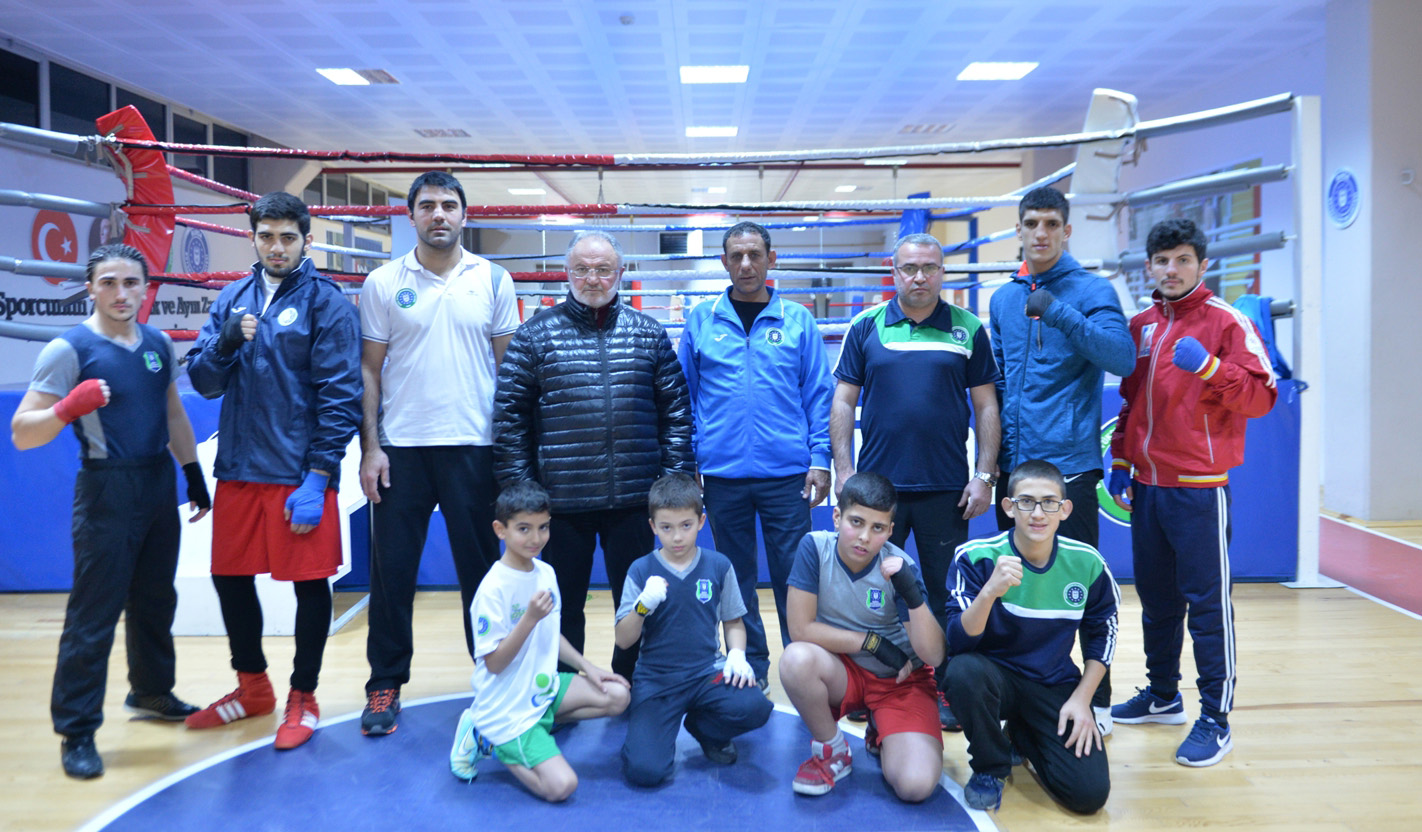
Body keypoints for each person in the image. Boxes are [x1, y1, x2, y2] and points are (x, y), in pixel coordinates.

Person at [11, 244, 210, 779]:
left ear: (145, 287)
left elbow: (172, 412)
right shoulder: (69, 349)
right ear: (91, 288)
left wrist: (192, 473)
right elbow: (22, 433)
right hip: (106, 487)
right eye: (108, 283)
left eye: (130, 283)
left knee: (155, 599)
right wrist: (65, 408)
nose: (121, 293)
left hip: (157, 482)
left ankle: (151, 692)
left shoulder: (158, 343)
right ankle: (76, 730)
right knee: (94, 613)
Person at [184, 191, 362, 750]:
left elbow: (341, 396)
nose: (277, 247)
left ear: (306, 239)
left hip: (297, 471)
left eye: (288, 237)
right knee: (229, 577)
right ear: (253, 238)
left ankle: (303, 696)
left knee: (309, 585)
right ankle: (252, 686)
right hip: (239, 466)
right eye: (267, 236)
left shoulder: (326, 303)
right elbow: (204, 382)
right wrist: (224, 345)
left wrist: (320, 475)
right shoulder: (232, 298)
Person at [1107, 218, 1276, 767]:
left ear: (1202, 264)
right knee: (1156, 601)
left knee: (1207, 606)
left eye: (1182, 259)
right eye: (1162, 261)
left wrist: (1209, 367)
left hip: (1199, 489)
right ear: (1149, 267)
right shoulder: (1141, 325)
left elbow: (1262, 398)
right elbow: (1131, 401)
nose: (1171, 269)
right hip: (1147, 486)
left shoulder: (1225, 321)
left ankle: (1216, 719)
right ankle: (1163, 695)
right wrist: (1121, 459)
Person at [358, 171, 519, 736]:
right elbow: (369, 371)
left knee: (484, 574)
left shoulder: (493, 278)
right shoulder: (382, 282)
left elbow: (510, 371)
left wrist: (511, 453)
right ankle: (384, 683)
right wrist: (370, 447)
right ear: (411, 216)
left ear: (464, 215)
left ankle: (494, 679)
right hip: (401, 449)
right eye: (427, 206)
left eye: (449, 205)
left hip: (475, 446)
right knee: (392, 573)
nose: (439, 215)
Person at [494, 229, 694, 680]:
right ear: (567, 273)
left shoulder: (648, 334)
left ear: (620, 273)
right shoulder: (535, 336)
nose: (592, 278)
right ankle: (562, 688)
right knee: (561, 605)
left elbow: (676, 413)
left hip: (635, 500)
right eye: (582, 269)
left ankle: (636, 683)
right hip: (561, 503)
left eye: (603, 269)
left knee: (640, 602)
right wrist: (523, 494)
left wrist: (672, 487)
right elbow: (509, 419)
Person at [830, 232, 1000, 730]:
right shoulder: (866, 326)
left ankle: (944, 687)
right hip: (877, 494)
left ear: (942, 272)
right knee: (870, 593)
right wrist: (845, 474)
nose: (919, 277)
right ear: (895, 272)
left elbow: (986, 406)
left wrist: (984, 475)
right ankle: (870, 684)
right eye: (909, 268)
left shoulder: (969, 328)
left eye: (929, 267)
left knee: (944, 595)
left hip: (946, 489)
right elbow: (843, 401)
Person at [988, 186, 1134, 731]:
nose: (1041, 233)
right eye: (1032, 223)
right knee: (1012, 589)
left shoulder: (1092, 289)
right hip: (1014, 472)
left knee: (1081, 588)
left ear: (1067, 231)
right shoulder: (1004, 299)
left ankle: (1099, 699)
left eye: (1052, 223)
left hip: (1068, 470)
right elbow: (998, 378)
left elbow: (1122, 357)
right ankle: (1019, 701)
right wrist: (992, 461)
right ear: (1019, 230)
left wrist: (1057, 311)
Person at [677, 221, 834, 688]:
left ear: (771, 258)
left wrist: (819, 457)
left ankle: (805, 667)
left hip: (787, 475)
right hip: (721, 475)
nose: (746, 264)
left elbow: (818, 394)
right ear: (724, 262)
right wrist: (691, 463)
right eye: (736, 256)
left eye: (755, 255)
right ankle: (753, 667)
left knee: (795, 577)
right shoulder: (701, 320)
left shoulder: (798, 319)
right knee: (736, 578)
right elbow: (684, 397)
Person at [944, 459, 1119, 813]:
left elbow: (1104, 633)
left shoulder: (1088, 562)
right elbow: (958, 641)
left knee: (1089, 795)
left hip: (1053, 682)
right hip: (994, 679)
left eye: (1049, 502)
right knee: (962, 672)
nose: (1038, 513)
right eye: (1026, 502)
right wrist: (990, 591)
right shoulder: (976, 556)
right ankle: (990, 767)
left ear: (1065, 509)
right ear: (1008, 507)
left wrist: (1082, 699)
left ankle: (1022, 735)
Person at [447, 480, 630, 801]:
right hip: (507, 706)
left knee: (618, 696)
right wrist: (529, 618)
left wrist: (589, 667)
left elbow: (550, 634)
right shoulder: (492, 589)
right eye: (524, 529)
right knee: (562, 787)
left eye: (543, 527)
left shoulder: (545, 573)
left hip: (540, 688)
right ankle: (490, 737)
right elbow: (494, 663)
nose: (536, 538)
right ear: (500, 530)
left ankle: (529, 729)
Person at [778, 471, 946, 803]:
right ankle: (834, 750)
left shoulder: (899, 566)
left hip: (900, 680)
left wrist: (912, 594)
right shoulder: (815, 548)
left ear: (890, 531)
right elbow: (800, 630)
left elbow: (935, 656)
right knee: (796, 660)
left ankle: (881, 727)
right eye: (856, 522)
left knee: (915, 786)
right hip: (844, 672)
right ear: (837, 517)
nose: (864, 537)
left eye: (878, 528)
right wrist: (873, 643)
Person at [615, 473, 774, 786]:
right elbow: (623, 640)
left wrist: (737, 654)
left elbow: (733, 621)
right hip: (657, 680)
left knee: (756, 706)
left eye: (686, 525)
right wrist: (643, 606)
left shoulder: (718, 565)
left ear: (701, 521)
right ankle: (647, 741)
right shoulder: (641, 569)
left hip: (706, 673)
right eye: (666, 527)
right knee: (645, 771)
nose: (677, 537)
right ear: (653, 526)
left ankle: (705, 729)